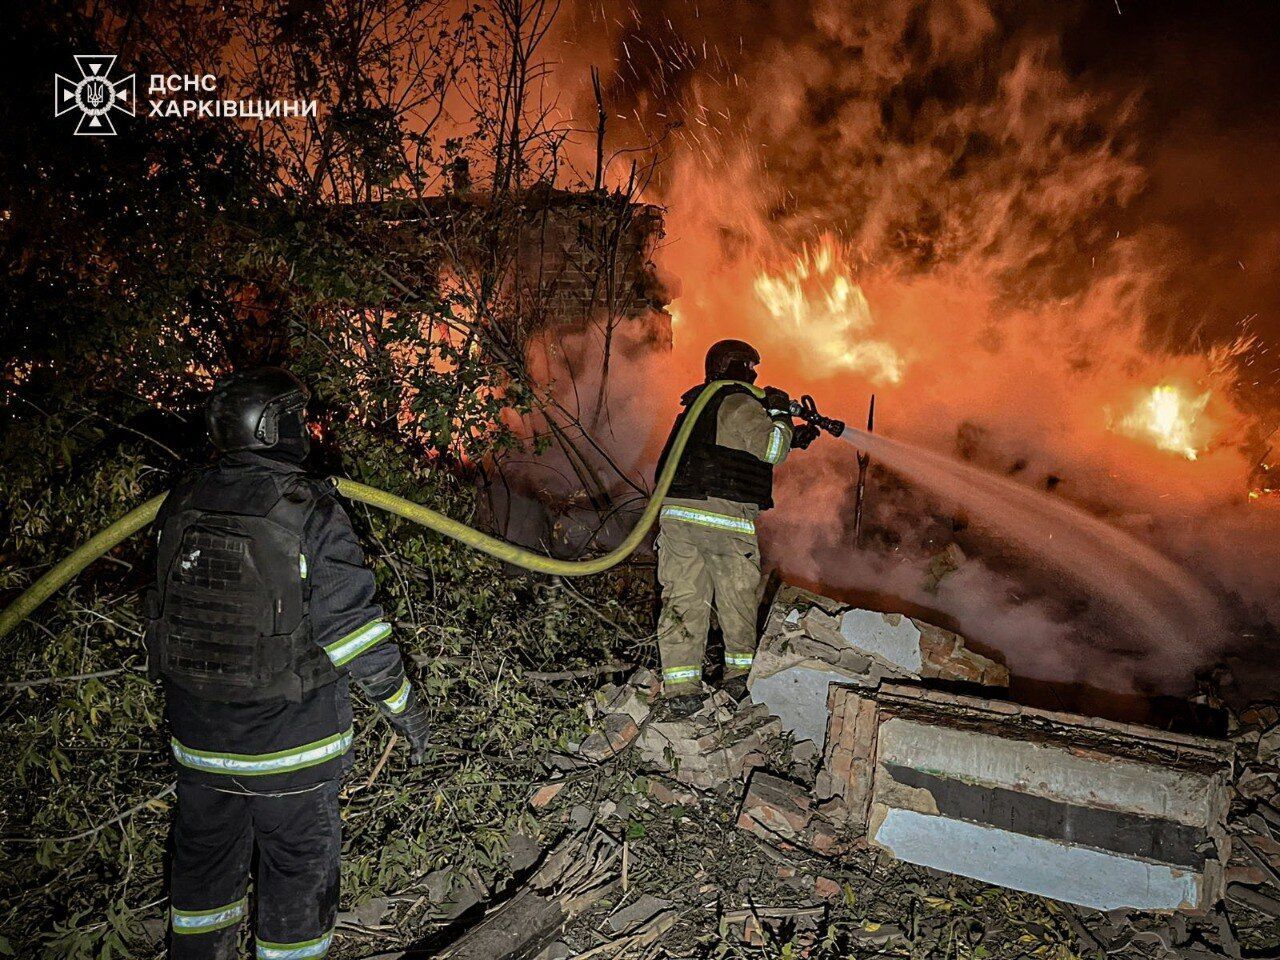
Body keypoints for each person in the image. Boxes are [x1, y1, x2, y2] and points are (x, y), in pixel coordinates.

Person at [144, 367, 429, 960]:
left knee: (202, 876)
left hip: (199, 742)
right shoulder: (308, 509)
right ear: (277, 428)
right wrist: (406, 710)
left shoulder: (182, 498)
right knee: (298, 879)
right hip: (291, 746)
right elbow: (355, 630)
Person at [653, 340, 819, 717]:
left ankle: (681, 691)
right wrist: (779, 415)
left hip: (678, 518)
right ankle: (739, 682)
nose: (756, 375)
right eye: (751, 366)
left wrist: (794, 435)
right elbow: (772, 449)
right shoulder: (741, 402)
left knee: (682, 602)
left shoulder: (697, 404)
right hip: (724, 520)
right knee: (737, 602)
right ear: (736, 366)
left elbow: (737, 446)